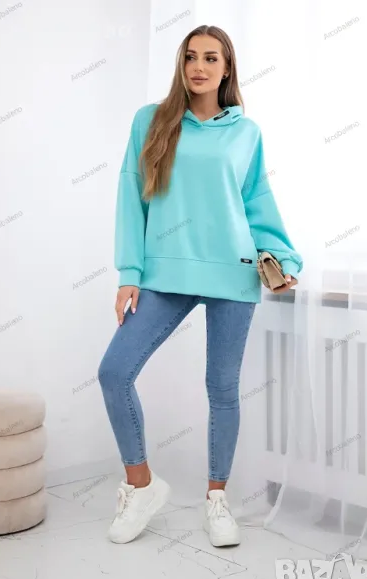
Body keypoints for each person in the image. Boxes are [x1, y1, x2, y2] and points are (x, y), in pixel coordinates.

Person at [98, 24, 303, 547]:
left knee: (222, 388)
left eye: (211, 58)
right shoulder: (151, 120)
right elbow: (131, 196)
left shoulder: (246, 132)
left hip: (233, 271)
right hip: (165, 272)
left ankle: (217, 499)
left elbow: (256, 203)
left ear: (227, 68)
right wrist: (129, 273)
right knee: (114, 372)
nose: (199, 66)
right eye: (191, 56)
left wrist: (281, 257)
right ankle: (141, 485)